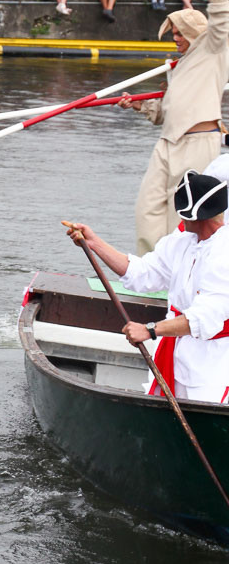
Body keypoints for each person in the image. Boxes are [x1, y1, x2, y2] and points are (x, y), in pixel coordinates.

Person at [64, 170, 229, 403]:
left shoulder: (225, 255)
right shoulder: (182, 241)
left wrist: (150, 329)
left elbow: (203, 319)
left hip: (215, 364)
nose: (180, 219)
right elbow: (142, 274)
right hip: (177, 352)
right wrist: (94, 244)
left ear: (198, 217)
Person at [119, 0, 229, 253]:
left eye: (179, 32)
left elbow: (221, 14)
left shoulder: (213, 49)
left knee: (185, 215)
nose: (174, 38)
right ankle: (150, 270)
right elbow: (167, 111)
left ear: (193, 32)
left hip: (198, 142)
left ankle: (183, 272)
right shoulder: (178, 68)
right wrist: (141, 105)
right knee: (147, 209)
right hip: (167, 142)